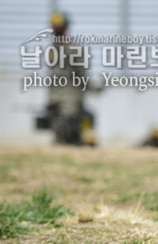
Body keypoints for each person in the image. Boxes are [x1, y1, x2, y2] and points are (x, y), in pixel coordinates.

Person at [45, 12, 94, 145]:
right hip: (55, 98)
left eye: (58, 26)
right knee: (58, 134)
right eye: (53, 26)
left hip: (70, 99)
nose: (55, 29)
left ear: (65, 27)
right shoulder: (53, 49)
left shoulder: (73, 48)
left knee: (71, 133)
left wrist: (90, 88)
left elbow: (81, 73)